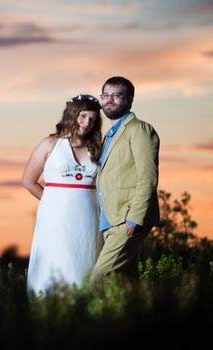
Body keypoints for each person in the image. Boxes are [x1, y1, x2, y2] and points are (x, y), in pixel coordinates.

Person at [22, 94, 103, 294]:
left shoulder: (97, 147)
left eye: (93, 118)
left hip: (88, 217)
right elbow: (28, 181)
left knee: (84, 262)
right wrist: (53, 202)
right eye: (83, 116)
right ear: (72, 114)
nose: (87, 123)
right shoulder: (50, 144)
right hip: (54, 218)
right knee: (55, 262)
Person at [90, 76, 160, 284]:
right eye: (106, 95)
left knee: (98, 280)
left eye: (116, 95)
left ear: (129, 99)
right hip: (110, 220)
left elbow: (147, 176)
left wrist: (134, 219)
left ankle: (81, 317)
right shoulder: (110, 134)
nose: (109, 100)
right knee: (125, 286)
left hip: (126, 219)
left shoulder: (139, 129)